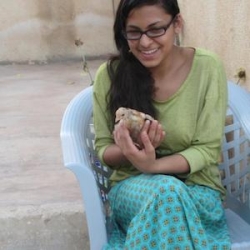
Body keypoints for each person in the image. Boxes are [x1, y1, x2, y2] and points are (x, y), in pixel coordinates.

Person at [93, 0, 231, 249]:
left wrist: (153, 164)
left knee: (168, 195)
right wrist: (130, 151)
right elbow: (103, 149)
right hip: (133, 192)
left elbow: (207, 150)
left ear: (177, 24)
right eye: (134, 32)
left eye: (156, 29)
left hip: (197, 191)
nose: (145, 42)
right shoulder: (111, 75)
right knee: (166, 194)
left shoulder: (207, 68)